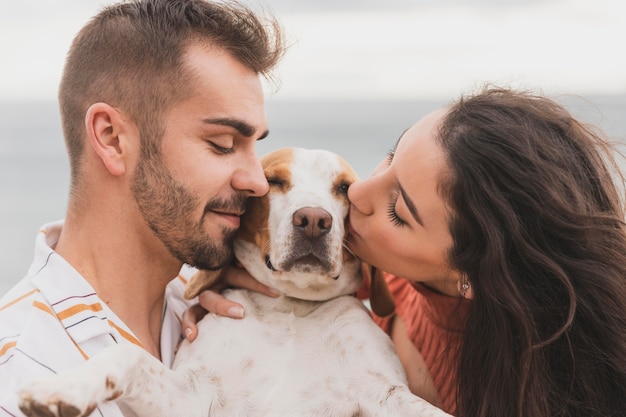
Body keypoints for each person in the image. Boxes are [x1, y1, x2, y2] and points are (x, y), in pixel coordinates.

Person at [187, 86, 626, 417]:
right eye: (390, 158)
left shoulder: (538, 389)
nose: (357, 191)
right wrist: (207, 291)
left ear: (469, 277)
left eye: (398, 210)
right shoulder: (359, 284)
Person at [0, 0, 285, 414]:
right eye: (222, 144)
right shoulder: (19, 374)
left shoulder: (215, 317)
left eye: (254, 146)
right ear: (112, 138)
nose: (257, 181)